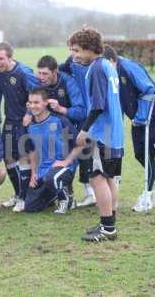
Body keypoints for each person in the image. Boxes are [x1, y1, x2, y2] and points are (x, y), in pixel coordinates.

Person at [68, 28, 124, 242]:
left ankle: (107, 228)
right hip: (114, 133)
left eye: (76, 50)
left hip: (102, 134)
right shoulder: (108, 66)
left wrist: (84, 130)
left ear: (90, 49)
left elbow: (98, 106)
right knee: (109, 178)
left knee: (97, 178)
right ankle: (108, 222)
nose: (74, 55)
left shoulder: (97, 69)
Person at [104, 45, 155, 211]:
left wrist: (140, 117)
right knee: (141, 154)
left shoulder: (128, 67)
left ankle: (146, 197)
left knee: (147, 154)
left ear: (112, 60)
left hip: (151, 114)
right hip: (138, 118)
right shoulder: (113, 72)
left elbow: (148, 90)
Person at [0, 42, 40, 212]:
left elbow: (38, 93)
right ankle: (18, 194)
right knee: (8, 158)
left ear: (10, 57)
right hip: (10, 120)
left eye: (1, 59)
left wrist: (30, 113)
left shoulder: (23, 72)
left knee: (23, 158)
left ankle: (24, 198)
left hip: (25, 121)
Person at [22, 89, 80, 214]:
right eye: (30, 103)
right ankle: (54, 193)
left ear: (45, 103)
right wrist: (33, 173)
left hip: (64, 167)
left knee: (51, 178)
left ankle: (65, 199)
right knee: (30, 207)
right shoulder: (30, 126)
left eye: (36, 102)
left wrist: (66, 162)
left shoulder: (60, 120)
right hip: (43, 169)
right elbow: (32, 151)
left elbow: (80, 144)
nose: (33, 106)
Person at [59, 53, 97, 207]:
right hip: (81, 113)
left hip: (93, 114)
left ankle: (92, 194)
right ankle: (86, 193)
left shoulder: (97, 65)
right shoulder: (72, 62)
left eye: (76, 49)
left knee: (90, 154)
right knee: (82, 152)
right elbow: (58, 68)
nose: (74, 53)